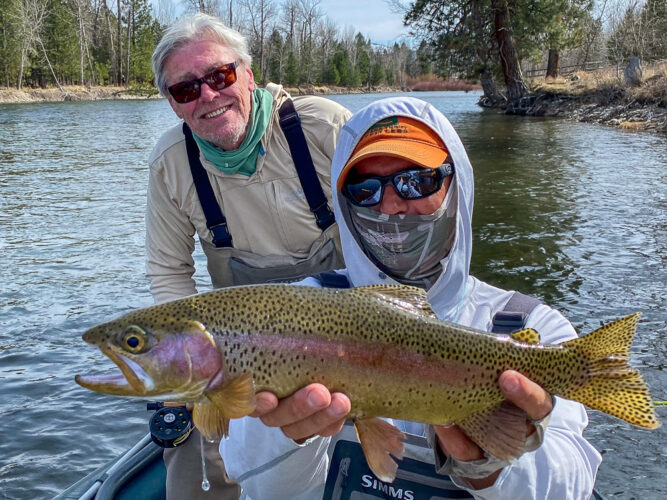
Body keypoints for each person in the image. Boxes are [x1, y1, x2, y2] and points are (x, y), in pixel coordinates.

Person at [219, 96, 603, 499]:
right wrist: (286, 436)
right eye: (364, 190)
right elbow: (259, 486)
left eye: (417, 181)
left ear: (457, 186)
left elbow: (571, 485)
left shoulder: (532, 329)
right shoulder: (301, 313)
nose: (390, 205)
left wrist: (492, 466)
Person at [146, 13, 351, 499]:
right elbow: (169, 273)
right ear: (173, 105)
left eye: (220, 76)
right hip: (239, 344)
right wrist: (194, 366)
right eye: (186, 90)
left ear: (249, 74)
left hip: (347, 327)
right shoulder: (170, 164)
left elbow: (389, 230)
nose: (208, 97)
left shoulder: (323, 128)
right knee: (185, 437)